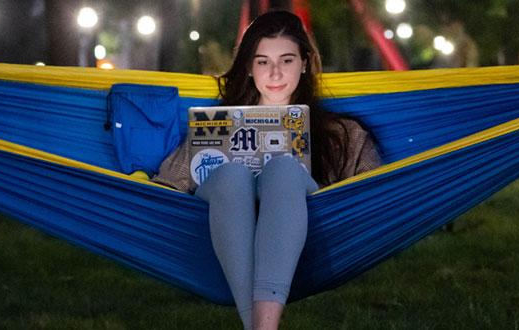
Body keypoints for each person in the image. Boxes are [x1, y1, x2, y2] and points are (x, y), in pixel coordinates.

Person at [153, 11, 381, 330]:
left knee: (284, 169)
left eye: (286, 60)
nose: (274, 73)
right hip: (221, 214)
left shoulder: (340, 133)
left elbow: (377, 190)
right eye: (262, 61)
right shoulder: (215, 126)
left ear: (304, 62)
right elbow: (168, 185)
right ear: (249, 67)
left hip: (302, 227)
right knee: (232, 174)